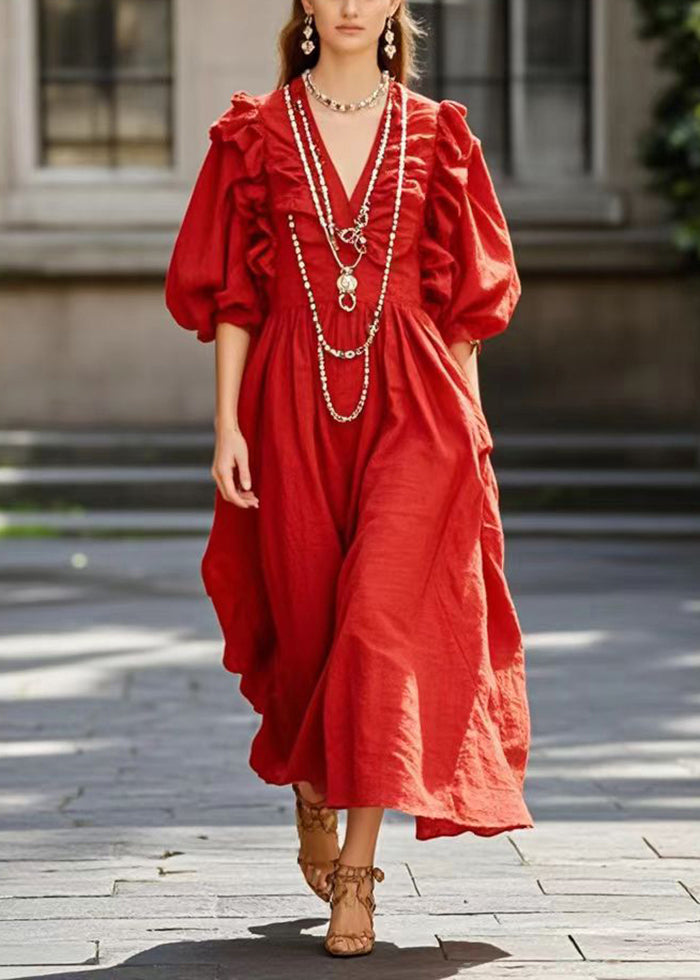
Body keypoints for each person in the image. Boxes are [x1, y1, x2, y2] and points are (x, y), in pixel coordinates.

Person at [164, 0, 532, 959]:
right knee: (310, 629)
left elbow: (463, 305)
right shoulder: (255, 132)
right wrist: (226, 424)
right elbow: (235, 294)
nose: (354, 2)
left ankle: (360, 879)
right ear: (307, 7)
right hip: (290, 402)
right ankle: (314, 783)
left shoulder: (438, 133)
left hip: (416, 403)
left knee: (377, 626)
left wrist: (474, 431)